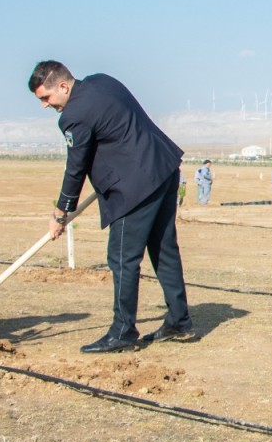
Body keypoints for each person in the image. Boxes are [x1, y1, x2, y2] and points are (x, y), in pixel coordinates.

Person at [30, 61, 194, 353]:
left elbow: (75, 168)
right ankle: (179, 321)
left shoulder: (73, 116)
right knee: (164, 249)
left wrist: (61, 212)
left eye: (46, 97)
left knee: (121, 258)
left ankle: (122, 331)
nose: (45, 105)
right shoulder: (101, 81)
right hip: (164, 168)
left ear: (63, 86)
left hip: (135, 187)